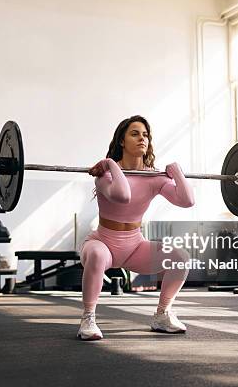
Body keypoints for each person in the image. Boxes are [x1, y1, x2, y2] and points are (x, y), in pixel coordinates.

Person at [78, 115, 194, 341]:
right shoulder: (104, 174)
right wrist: (110, 163)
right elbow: (122, 196)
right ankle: (88, 318)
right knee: (95, 255)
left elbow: (187, 201)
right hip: (103, 242)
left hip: (134, 246)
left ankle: (162, 314)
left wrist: (177, 171)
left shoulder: (154, 176)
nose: (142, 138)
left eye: (145, 135)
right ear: (122, 141)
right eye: (135, 134)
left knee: (181, 257)